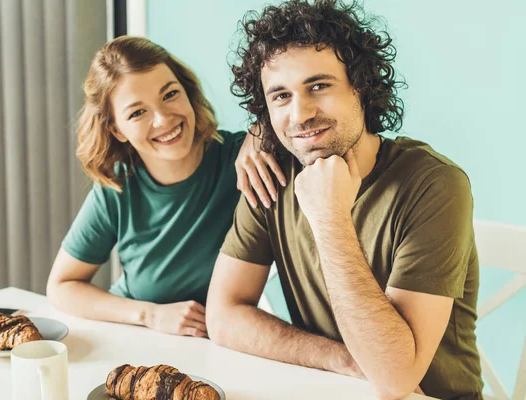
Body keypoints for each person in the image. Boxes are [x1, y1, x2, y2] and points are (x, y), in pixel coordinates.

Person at [206, 1, 483, 399]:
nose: (300, 114)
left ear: (361, 86)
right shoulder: (271, 173)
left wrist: (330, 218)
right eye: (281, 96)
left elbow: (394, 379)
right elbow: (223, 316)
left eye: (319, 86)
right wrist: (342, 360)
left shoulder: (434, 184)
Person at [46, 36, 285, 339]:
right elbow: (61, 286)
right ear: (116, 129)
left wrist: (260, 129)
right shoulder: (118, 188)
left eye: (170, 94)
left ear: (187, 91)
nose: (163, 119)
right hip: (140, 339)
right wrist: (150, 315)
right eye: (137, 112)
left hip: (214, 344)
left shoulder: (244, 159)